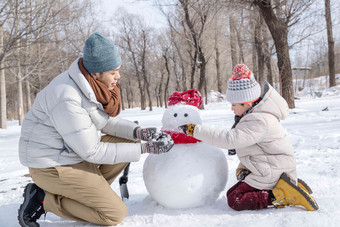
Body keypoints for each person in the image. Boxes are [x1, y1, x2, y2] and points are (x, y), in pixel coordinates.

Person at [17, 32, 174, 227]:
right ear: (96, 73)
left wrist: (140, 133)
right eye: (113, 72)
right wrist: (146, 148)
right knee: (114, 214)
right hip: (51, 164)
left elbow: (105, 122)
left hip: (71, 155)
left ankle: (86, 193)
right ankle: (43, 198)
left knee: (128, 140)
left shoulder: (88, 85)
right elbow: (92, 151)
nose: (118, 76)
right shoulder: (67, 96)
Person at [179, 64, 319, 211]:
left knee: (235, 199)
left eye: (234, 104)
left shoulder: (259, 120)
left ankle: (282, 194)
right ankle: (288, 185)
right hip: (272, 166)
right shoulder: (254, 116)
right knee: (233, 193)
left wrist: (196, 131)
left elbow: (230, 139)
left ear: (247, 103)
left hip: (273, 170)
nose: (231, 108)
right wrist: (245, 167)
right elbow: (258, 149)